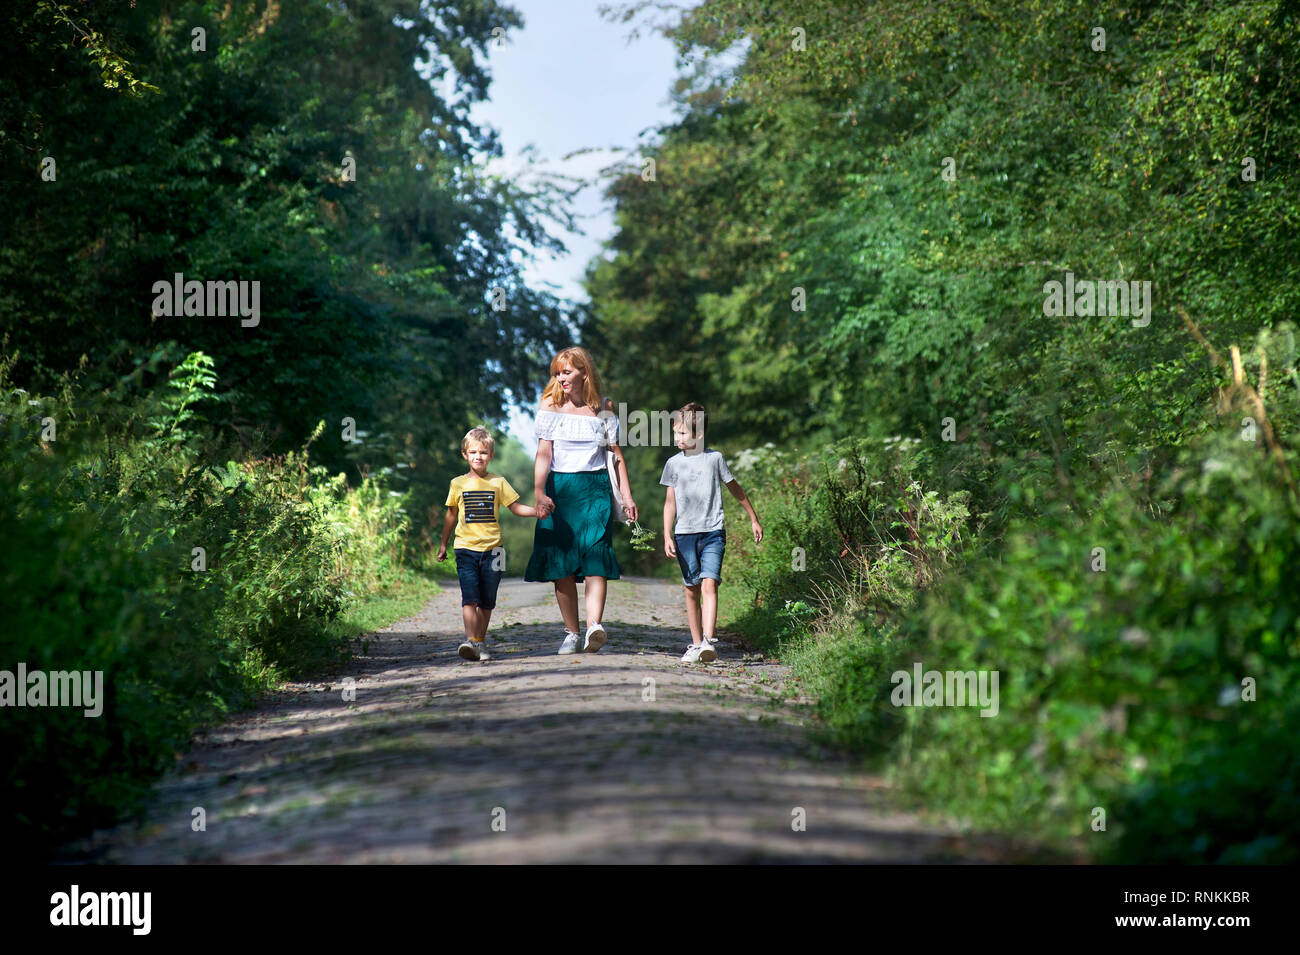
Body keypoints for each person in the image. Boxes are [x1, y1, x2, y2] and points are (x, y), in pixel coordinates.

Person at [524, 346, 637, 654]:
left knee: (596, 555)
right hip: (559, 489)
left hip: (595, 489)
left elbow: (615, 455)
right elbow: (543, 453)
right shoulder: (549, 404)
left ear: (584, 372)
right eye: (557, 373)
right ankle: (572, 632)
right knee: (561, 564)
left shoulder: (604, 406)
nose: (560, 378)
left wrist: (626, 497)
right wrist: (538, 492)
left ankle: (594, 626)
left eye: (567, 372)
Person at [661, 402, 762, 663]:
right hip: (684, 535)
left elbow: (735, 488)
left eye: (682, 433)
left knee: (709, 582)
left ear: (699, 435)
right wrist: (666, 534)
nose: (677, 438)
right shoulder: (673, 464)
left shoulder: (714, 459)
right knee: (691, 588)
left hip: (713, 532)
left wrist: (753, 518)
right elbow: (670, 502)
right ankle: (695, 643)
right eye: (676, 433)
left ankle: (707, 641)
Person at [437, 427, 542, 661]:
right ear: (464, 454)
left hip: (495, 551)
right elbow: (451, 515)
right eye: (473, 452)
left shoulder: (498, 482)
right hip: (465, 548)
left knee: (487, 601)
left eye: (483, 452)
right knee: (470, 598)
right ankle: (470, 641)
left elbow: (515, 508)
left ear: (491, 455)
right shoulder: (457, 484)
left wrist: (537, 511)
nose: (478, 456)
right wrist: (444, 544)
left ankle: (480, 642)